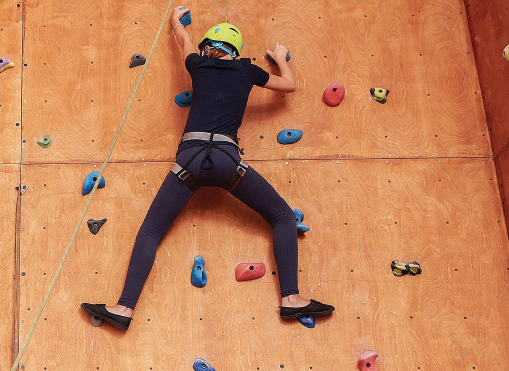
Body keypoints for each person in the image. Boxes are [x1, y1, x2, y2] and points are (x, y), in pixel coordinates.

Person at [82, 8, 335, 330]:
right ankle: (291, 299)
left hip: (189, 159)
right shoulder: (247, 70)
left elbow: (183, 39)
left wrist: (176, 20)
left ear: (208, 47)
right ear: (236, 51)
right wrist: (281, 57)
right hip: (228, 162)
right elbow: (289, 85)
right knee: (283, 217)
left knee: (151, 231)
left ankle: (124, 308)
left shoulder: (197, 64)